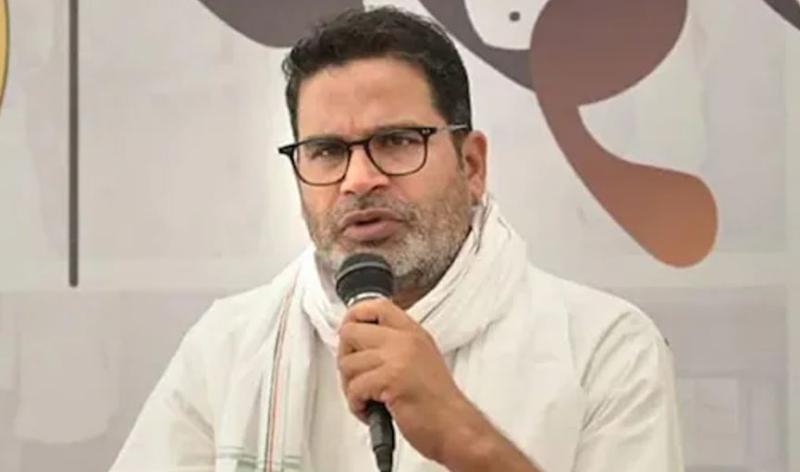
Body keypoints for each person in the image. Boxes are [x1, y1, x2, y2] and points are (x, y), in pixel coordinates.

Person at [110, 6, 683, 472]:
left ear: (472, 164)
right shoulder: (229, 347)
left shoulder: (603, 348)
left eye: (397, 141)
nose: (359, 180)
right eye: (327, 151)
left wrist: (463, 439)